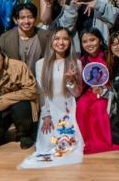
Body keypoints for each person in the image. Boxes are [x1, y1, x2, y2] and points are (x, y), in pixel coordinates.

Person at [19, 27, 85, 169]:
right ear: (51, 42)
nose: (61, 42)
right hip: (50, 108)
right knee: (46, 147)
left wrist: (70, 80)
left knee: (69, 146)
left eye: (65, 39)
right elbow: (42, 93)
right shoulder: (40, 64)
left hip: (68, 109)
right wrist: (46, 115)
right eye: (57, 38)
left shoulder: (76, 63)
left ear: (70, 42)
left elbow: (77, 93)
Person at [75, 28, 119, 154]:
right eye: (85, 41)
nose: (89, 44)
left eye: (92, 40)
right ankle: (84, 141)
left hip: (108, 93)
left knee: (99, 106)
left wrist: (105, 90)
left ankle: (101, 142)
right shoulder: (82, 60)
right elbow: (82, 84)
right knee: (82, 106)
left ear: (100, 41)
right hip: (90, 92)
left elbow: (116, 82)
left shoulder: (110, 57)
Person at [0, 2, 51, 73]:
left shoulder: (46, 36)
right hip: (15, 81)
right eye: (22, 18)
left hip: (40, 80)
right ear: (15, 20)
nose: (26, 21)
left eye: (30, 17)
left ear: (35, 18)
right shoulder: (5, 38)